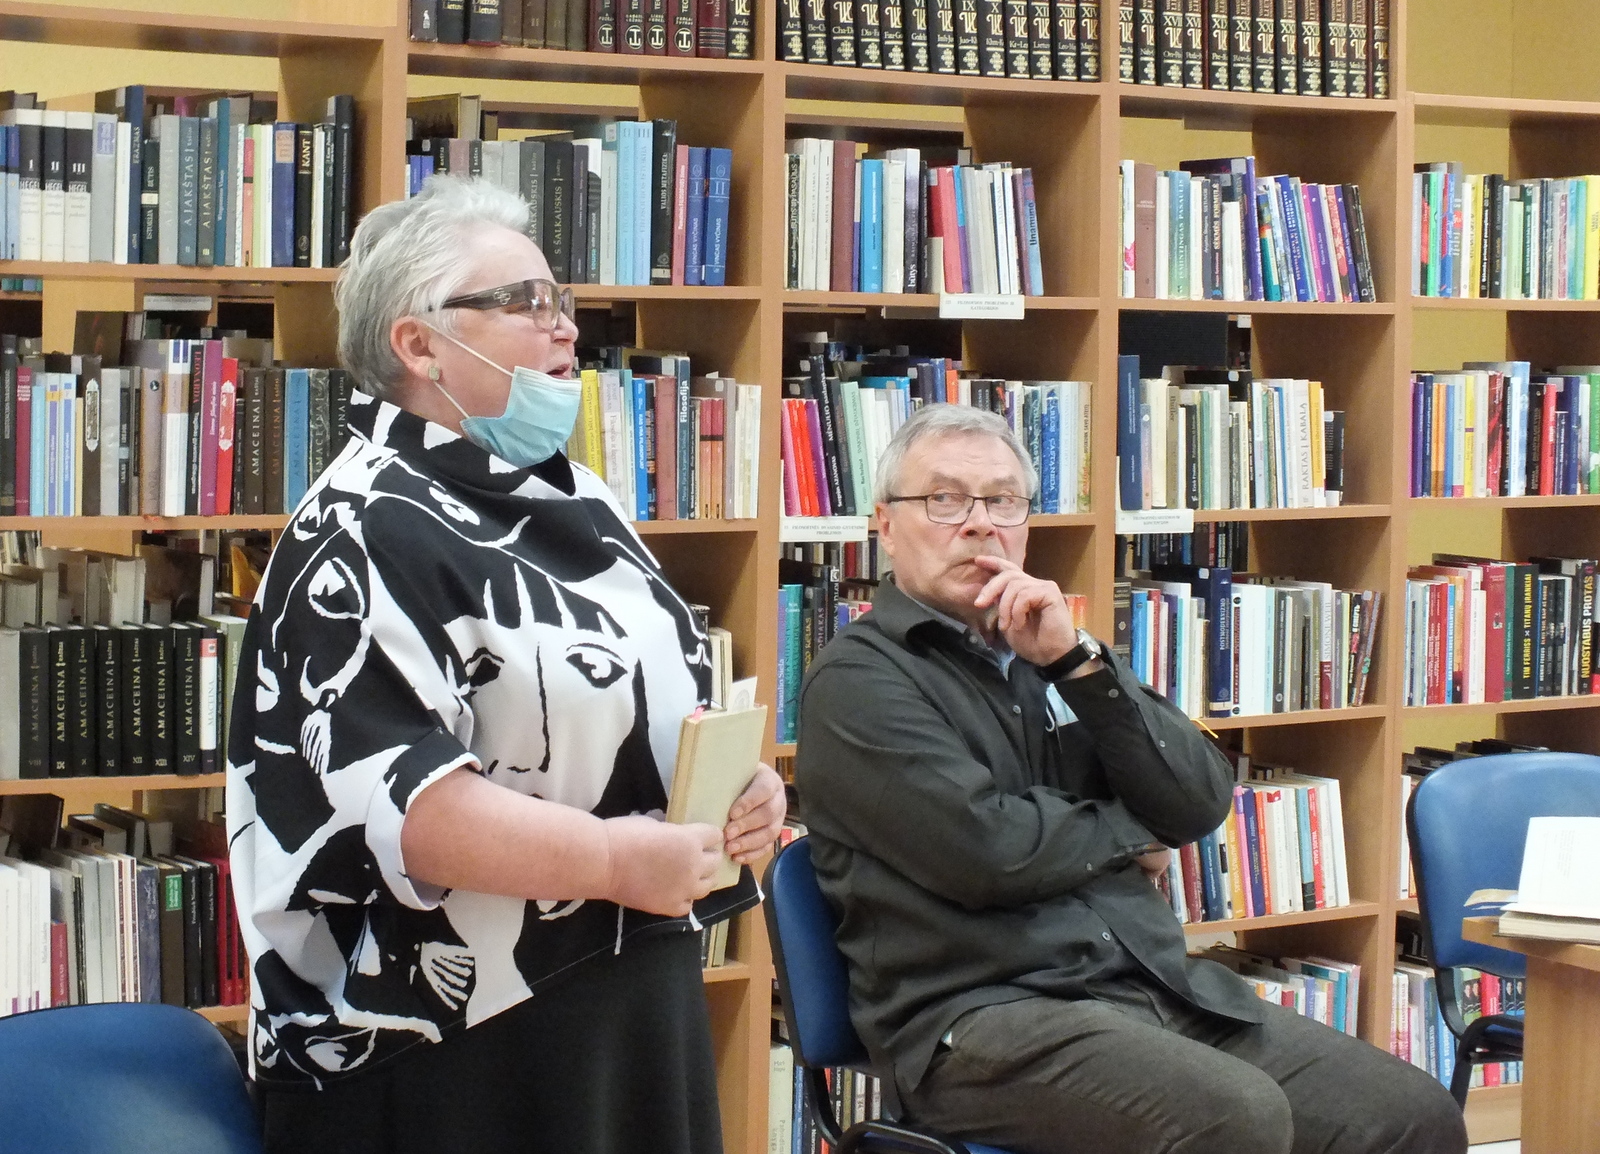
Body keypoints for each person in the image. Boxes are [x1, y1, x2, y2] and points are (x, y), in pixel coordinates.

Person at [226, 175, 786, 1154]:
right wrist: (614, 860)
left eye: (559, 298)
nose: (564, 326)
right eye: (524, 302)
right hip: (444, 1045)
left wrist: (740, 797)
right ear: (419, 344)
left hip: (624, 992)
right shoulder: (357, 527)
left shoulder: (577, 497)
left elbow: (655, 708)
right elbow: (411, 808)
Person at [793, 404, 1465, 1154]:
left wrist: (1077, 664)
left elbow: (1198, 799)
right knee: (1234, 1118)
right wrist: (1129, 831)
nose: (979, 524)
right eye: (945, 499)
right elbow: (990, 852)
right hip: (976, 1019)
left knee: (1412, 1113)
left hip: (1149, 986)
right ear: (886, 526)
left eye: (1004, 501)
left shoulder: (1051, 649)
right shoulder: (857, 681)